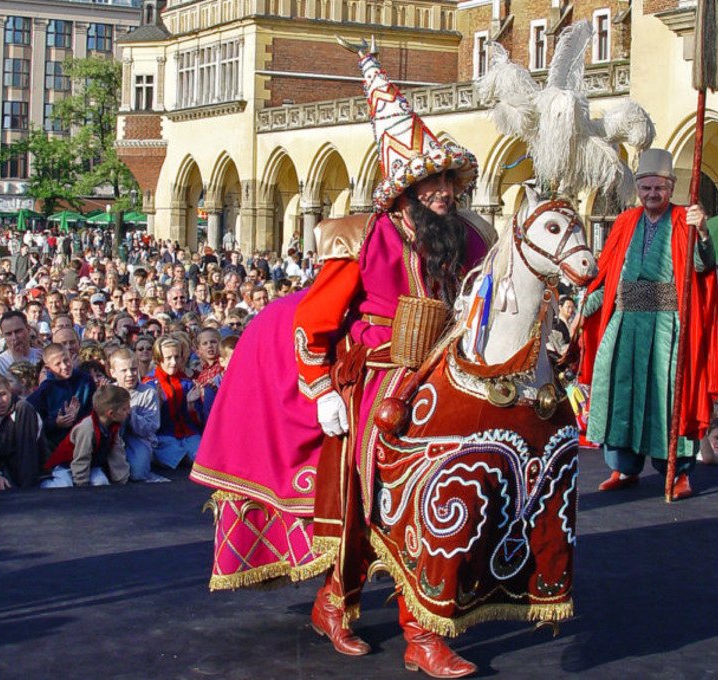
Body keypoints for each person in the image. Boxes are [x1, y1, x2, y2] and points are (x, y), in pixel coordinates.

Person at [191, 42, 496, 677]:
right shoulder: (362, 237)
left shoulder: (469, 237)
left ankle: (423, 631)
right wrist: (322, 389)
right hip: (375, 377)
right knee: (365, 496)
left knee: (450, 494)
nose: (442, 192)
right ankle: (340, 601)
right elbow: (313, 320)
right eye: (429, 182)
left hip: (446, 372)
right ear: (405, 189)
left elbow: (489, 301)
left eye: (448, 181)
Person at [575, 148, 718, 500]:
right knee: (619, 390)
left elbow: (703, 268)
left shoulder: (683, 219)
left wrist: (702, 232)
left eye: (658, 188)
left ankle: (677, 471)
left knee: (667, 396)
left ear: (671, 187)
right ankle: (624, 467)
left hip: (667, 323)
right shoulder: (626, 221)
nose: (651, 194)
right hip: (625, 320)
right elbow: (609, 272)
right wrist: (590, 303)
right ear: (637, 189)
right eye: (645, 188)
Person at [43, 385, 131, 487]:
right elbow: (81, 457)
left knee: (102, 483)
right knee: (64, 486)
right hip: (66, 465)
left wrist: (122, 481)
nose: (128, 412)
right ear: (110, 413)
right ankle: (46, 483)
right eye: (124, 409)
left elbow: (117, 454)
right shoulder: (87, 428)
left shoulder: (113, 426)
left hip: (91, 465)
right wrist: (83, 485)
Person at [0, 373, 47, 490]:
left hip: (36, 476)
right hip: (4, 475)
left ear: (10, 392)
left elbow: (27, 453)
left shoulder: (23, 409)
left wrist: (26, 491)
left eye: (2, 395)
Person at [145, 335, 202, 469]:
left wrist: (191, 405)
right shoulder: (150, 384)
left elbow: (197, 421)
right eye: (168, 358)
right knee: (177, 457)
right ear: (159, 359)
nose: (174, 362)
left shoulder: (187, 383)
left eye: (177, 357)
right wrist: (157, 404)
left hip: (187, 433)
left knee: (200, 461)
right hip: (163, 434)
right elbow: (149, 424)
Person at [107, 349, 164, 483]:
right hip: (114, 438)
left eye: (133, 369)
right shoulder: (109, 392)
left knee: (137, 474)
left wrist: (130, 413)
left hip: (139, 439)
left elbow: (150, 428)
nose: (130, 374)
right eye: (124, 371)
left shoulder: (148, 393)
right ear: (113, 372)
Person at [26, 342, 96, 450]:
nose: (64, 366)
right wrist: (56, 423)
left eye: (66, 360)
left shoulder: (85, 380)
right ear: (48, 368)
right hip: (58, 446)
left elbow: (94, 409)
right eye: (58, 364)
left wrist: (79, 415)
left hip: (86, 440)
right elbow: (35, 423)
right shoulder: (45, 390)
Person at [0, 310, 42, 376]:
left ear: (28, 329)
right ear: (3, 335)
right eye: (8, 334)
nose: (14, 337)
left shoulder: (41, 356)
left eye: (18, 331)